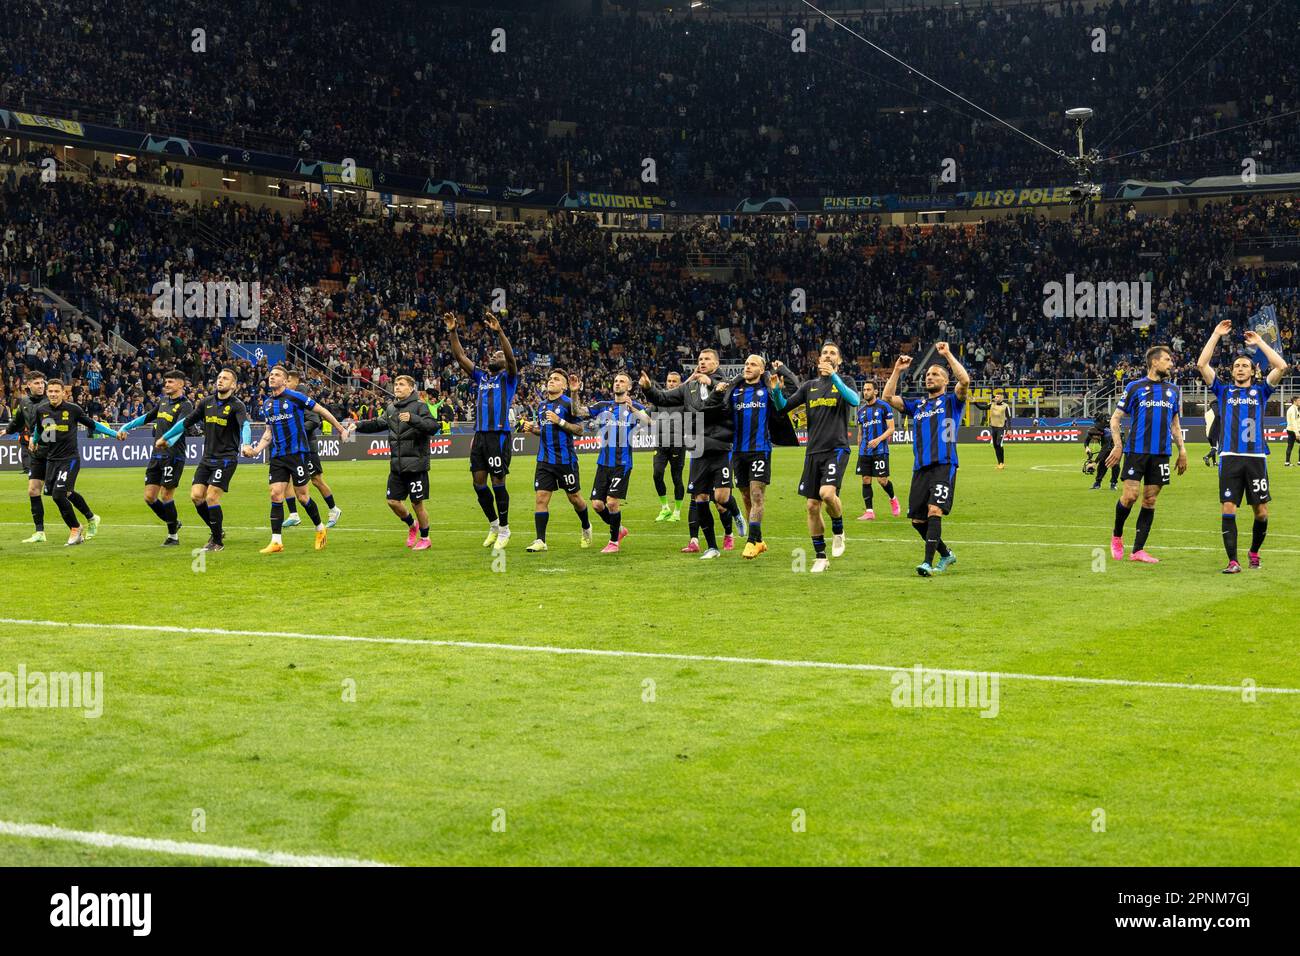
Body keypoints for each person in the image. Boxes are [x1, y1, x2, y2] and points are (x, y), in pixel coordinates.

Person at [1195, 320, 1287, 572]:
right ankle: (1233, 561)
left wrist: (1259, 343)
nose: (1240, 369)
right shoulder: (1223, 392)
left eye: (1245, 365)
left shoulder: (1261, 392)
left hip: (1256, 457)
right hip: (1229, 457)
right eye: (1236, 366)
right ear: (1232, 371)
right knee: (1228, 507)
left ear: (1253, 370)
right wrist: (1215, 334)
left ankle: (1254, 551)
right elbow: (1202, 364)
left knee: (1261, 512)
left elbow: (1281, 365)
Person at [640, 349, 743, 558]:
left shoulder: (726, 383)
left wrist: (713, 384)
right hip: (697, 447)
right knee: (700, 498)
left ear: (716, 363)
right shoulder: (689, 387)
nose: (702, 362)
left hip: (720, 445)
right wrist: (649, 388)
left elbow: (722, 406)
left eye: (707, 359)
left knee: (722, 497)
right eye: (700, 359)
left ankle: (737, 514)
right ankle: (712, 547)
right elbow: (663, 398)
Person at [882, 343, 969, 577]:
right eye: (928, 374)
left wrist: (947, 355)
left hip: (944, 464)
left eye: (935, 374)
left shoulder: (953, 401)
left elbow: (965, 381)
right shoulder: (917, 405)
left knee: (934, 510)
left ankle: (927, 562)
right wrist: (897, 371)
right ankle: (946, 554)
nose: (929, 377)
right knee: (917, 521)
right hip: (920, 468)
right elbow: (887, 396)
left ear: (945, 380)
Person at [773, 343, 861, 573]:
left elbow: (854, 401)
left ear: (839, 361)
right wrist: (776, 392)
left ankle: (839, 530)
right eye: (825, 352)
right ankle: (820, 556)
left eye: (833, 353)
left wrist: (834, 378)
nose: (828, 355)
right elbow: (783, 407)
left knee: (826, 494)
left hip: (837, 449)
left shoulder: (846, 381)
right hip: (813, 452)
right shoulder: (809, 387)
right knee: (812, 506)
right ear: (818, 358)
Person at [246, 365, 351, 554]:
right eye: (271, 375)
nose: (272, 377)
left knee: (303, 497)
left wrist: (341, 428)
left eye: (277, 375)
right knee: (275, 494)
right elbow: (268, 433)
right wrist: (257, 450)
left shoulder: (296, 397)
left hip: (297, 454)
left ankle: (320, 529)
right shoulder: (267, 404)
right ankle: (276, 541)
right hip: (277, 455)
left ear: (285, 381)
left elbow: (322, 411)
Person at [705, 354, 798, 559]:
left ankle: (750, 541)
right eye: (746, 364)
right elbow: (716, 406)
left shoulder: (768, 389)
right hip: (737, 452)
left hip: (760, 450)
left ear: (762, 369)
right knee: (746, 496)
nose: (747, 367)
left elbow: (792, 391)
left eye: (753, 364)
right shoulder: (734, 390)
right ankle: (759, 540)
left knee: (757, 495)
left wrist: (782, 372)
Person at [1105, 345, 1189, 564]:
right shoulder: (1135, 387)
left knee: (1150, 500)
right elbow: (1115, 418)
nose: (1172, 364)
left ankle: (1138, 550)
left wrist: (1182, 450)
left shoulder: (1173, 391)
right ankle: (1117, 535)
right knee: (1130, 496)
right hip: (1136, 451)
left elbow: (1175, 424)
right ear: (1154, 362)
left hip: (1161, 453)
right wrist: (1117, 445)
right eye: (1168, 360)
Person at [445, 309, 519, 551]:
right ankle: (494, 524)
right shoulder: (481, 377)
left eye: (497, 354)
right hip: (479, 436)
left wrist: (500, 333)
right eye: (493, 353)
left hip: (498, 436)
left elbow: (511, 359)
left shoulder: (508, 379)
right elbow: (460, 356)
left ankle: (506, 529)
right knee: (478, 483)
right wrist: (453, 331)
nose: (494, 355)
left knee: (498, 482)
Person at [158, 367, 252, 552]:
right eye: (219, 377)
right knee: (196, 497)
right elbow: (185, 423)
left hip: (226, 459)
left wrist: (246, 443)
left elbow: (245, 425)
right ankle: (216, 530)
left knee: (211, 497)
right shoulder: (206, 403)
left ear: (233, 385)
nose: (220, 381)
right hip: (207, 459)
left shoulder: (236, 405)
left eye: (225, 378)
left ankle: (217, 542)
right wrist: (166, 437)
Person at [27, 379, 123, 545]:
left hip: (70, 459)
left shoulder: (73, 410)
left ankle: (76, 528)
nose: (53, 394)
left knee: (59, 494)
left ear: (64, 393)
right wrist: (34, 440)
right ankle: (91, 518)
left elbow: (93, 424)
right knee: (64, 493)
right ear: (47, 392)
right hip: (51, 459)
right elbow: (39, 429)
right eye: (50, 391)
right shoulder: (41, 410)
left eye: (57, 391)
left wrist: (114, 434)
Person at [352, 375, 440, 550]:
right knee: (392, 501)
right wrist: (358, 425)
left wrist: (413, 419)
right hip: (397, 464)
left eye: (401, 384)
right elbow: (378, 423)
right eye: (396, 384)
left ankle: (425, 538)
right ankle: (412, 524)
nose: (397, 387)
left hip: (416, 464)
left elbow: (433, 426)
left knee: (417, 503)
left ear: (411, 388)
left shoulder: (420, 406)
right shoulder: (391, 408)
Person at [116, 370, 194, 545]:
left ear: (181, 384)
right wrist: (126, 427)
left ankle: (173, 536)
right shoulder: (164, 401)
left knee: (166, 495)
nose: (166, 384)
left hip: (173, 455)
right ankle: (174, 521)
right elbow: (146, 418)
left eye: (170, 382)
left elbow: (182, 427)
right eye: (165, 382)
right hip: (156, 455)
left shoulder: (186, 405)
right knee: (149, 497)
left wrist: (167, 440)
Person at [519, 369, 590, 552]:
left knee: (575, 499)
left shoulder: (569, 404)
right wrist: (532, 428)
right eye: (550, 378)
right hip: (544, 460)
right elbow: (543, 430)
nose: (551, 381)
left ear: (564, 386)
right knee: (541, 499)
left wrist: (560, 421)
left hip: (566, 460)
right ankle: (540, 540)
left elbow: (580, 430)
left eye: (556, 379)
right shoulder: (542, 406)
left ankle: (586, 526)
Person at [583, 372, 651, 553]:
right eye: (616, 381)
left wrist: (634, 410)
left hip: (623, 463)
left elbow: (648, 422)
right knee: (598, 505)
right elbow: (578, 412)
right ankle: (619, 529)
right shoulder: (603, 406)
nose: (618, 383)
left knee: (612, 502)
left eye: (622, 381)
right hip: (603, 463)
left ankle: (613, 543)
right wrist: (575, 392)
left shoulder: (635, 406)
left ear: (629, 387)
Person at [283, 370, 342, 529]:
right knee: (286, 479)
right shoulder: (287, 399)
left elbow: (315, 420)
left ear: (295, 382)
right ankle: (293, 514)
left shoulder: (302, 399)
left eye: (288, 381)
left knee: (316, 480)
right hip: (294, 448)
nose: (285, 383)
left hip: (307, 447)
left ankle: (333, 509)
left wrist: (298, 430)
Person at [3, 370, 50, 542]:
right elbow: (18, 422)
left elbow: (52, 428)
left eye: (42, 383)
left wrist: (36, 438)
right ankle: (39, 532)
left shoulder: (50, 402)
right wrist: (6, 431)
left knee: (61, 493)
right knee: (32, 490)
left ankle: (86, 520)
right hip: (37, 453)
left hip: (54, 453)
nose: (41, 386)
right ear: (28, 385)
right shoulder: (24, 402)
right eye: (36, 383)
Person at [854, 379, 899, 520]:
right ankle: (869, 511)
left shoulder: (884, 407)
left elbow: (891, 428)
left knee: (882, 480)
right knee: (866, 479)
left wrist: (878, 439)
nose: (865, 392)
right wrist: (859, 447)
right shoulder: (861, 411)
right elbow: (860, 432)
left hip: (880, 450)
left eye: (868, 389)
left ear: (875, 391)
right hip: (864, 452)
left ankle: (893, 499)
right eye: (864, 390)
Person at [650, 370, 686, 522]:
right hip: (660, 443)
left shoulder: (685, 400)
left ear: (680, 384)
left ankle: (677, 511)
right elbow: (649, 416)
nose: (671, 383)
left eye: (674, 381)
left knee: (676, 478)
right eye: (669, 381)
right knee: (657, 474)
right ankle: (665, 508)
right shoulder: (660, 400)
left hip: (678, 444)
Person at [1083, 414, 1120, 491]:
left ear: (1099, 435)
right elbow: (1086, 440)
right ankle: (1097, 483)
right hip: (1106, 446)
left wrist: (1095, 462)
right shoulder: (1094, 430)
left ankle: (1113, 483)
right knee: (1102, 463)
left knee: (1115, 464)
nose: (1094, 440)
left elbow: (1104, 449)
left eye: (1094, 438)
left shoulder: (1107, 435)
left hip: (1117, 445)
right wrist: (1087, 447)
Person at [976, 392, 1010, 469]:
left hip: (1001, 428)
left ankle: (1002, 463)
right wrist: (975, 403)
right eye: (995, 396)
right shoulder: (992, 404)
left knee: (999, 444)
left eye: (998, 397)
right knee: (995, 446)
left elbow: (1008, 418)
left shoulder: (1005, 406)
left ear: (1002, 397)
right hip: (993, 428)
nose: (996, 398)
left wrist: (1009, 429)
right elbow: (982, 408)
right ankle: (999, 463)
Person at [1203, 395, 1220, 467]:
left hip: (1209, 432)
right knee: (1216, 448)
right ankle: (1207, 457)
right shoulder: (1218, 414)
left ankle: (1214, 462)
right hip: (1215, 432)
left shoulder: (1207, 413)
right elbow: (1218, 416)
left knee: (1213, 447)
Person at [1285, 396, 1300, 466]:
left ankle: (1287, 462)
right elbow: (1293, 421)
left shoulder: (1294, 408)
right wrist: (1297, 433)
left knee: (1290, 446)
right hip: (1294, 430)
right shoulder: (1292, 409)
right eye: (1298, 400)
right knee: (1290, 446)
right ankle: (1299, 462)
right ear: (1295, 401)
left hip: (1290, 430)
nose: (1299, 402)